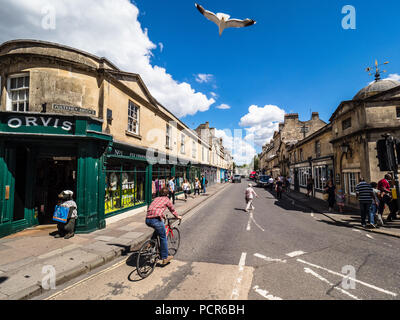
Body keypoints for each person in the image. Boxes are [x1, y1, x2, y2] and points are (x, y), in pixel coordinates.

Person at [145, 187, 182, 265]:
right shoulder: (167, 200)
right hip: (155, 219)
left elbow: (154, 208)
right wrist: (177, 216)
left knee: (157, 230)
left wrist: (162, 215)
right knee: (163, 237)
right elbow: (172, 209)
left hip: (147, 219)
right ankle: (165, 257)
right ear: (167, 194)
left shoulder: (156, 198)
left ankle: (150, 244)